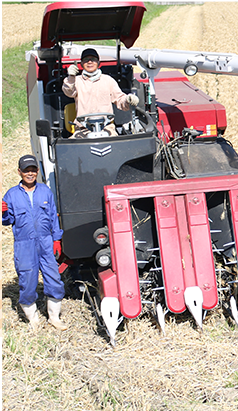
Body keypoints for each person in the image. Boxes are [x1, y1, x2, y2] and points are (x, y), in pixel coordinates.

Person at [2, 155, 68, 331]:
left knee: (53, 278)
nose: (29, 173)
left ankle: (54, 317)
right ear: (19, 172)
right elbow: (8, 221)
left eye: (33, 170)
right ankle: (33, 319)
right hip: (24, 245)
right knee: (27, 280)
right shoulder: (11, 195)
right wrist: (4, 213)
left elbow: (54, 216)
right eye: (26, 170)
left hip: (46, 242)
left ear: (37, 172)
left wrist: (56, 239)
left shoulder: (45, 191)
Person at [62, 48, 139, 138]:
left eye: (93, 59)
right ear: (81, 64)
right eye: (86, 60)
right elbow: (69, 92)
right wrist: (71, 77)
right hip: (83, 130)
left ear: (98, 63)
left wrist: (128, 100)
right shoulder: (76, 81)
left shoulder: (108, 80)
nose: (90, 62)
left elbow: (120, 100)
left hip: (107, 128)